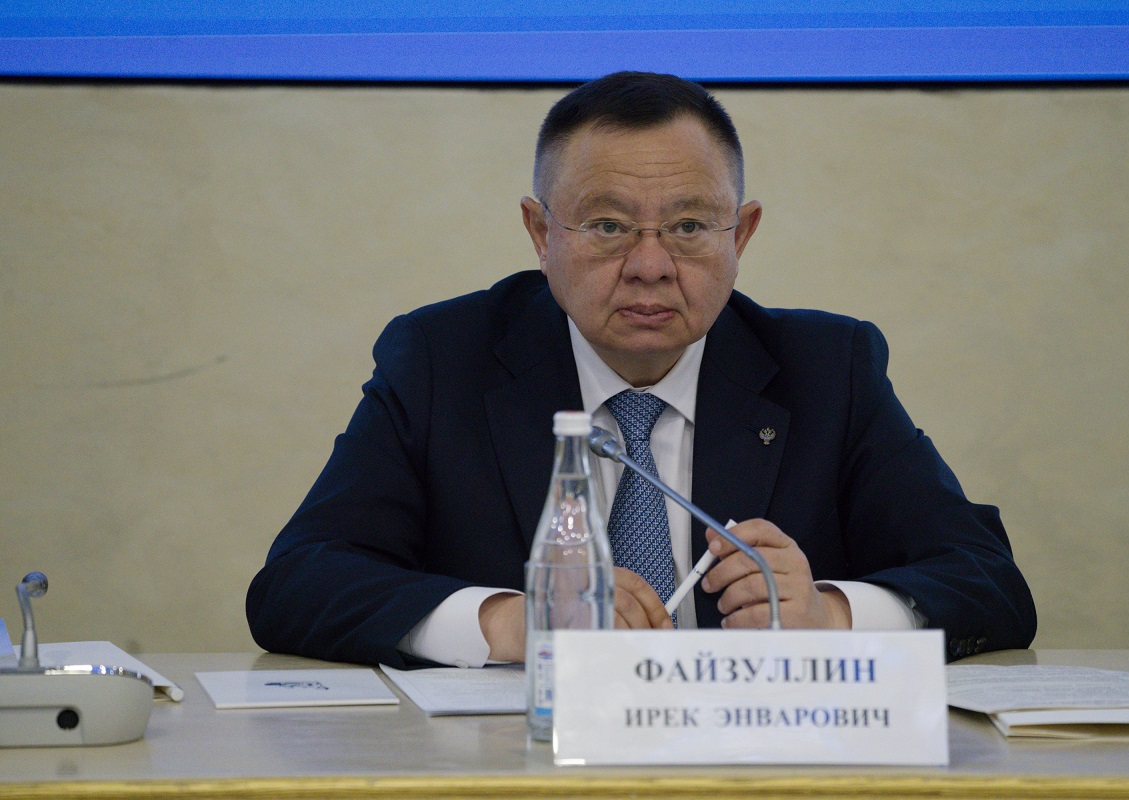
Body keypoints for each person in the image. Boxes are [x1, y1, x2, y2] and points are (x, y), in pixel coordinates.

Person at [246, 72, 1036, 669]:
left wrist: (828, 615)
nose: (650, 265)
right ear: (540, 233)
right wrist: (511, 623)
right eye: (608, 226)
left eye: (689, 226)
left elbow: (988, 583)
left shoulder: (830, 371)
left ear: (741, 235)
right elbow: (299, 582)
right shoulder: (440, 361)